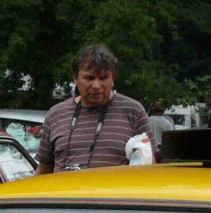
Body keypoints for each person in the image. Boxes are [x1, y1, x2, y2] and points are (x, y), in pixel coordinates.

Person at [34, 44, 151, 173]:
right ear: (75, 79)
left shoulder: (134, 111)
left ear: (113, 79)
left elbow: (153, 165)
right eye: (89, 78)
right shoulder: (55, 114)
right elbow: (43, 171)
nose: (96, 85)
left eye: (103, 78)